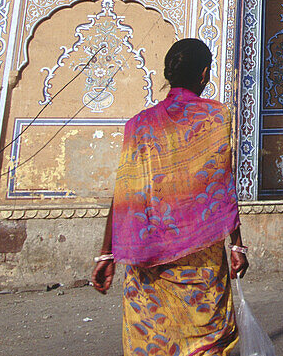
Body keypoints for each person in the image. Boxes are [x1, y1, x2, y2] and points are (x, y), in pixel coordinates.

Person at [90, 38, 249, 355]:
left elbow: (124, 193)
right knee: (205, 343)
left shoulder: (139, 125)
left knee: (154, 339)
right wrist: (237, 244)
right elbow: (222, 186)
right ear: (204, 74)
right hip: (201, 261)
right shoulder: (216, 118)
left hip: (150, 257)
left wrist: (106, 253)